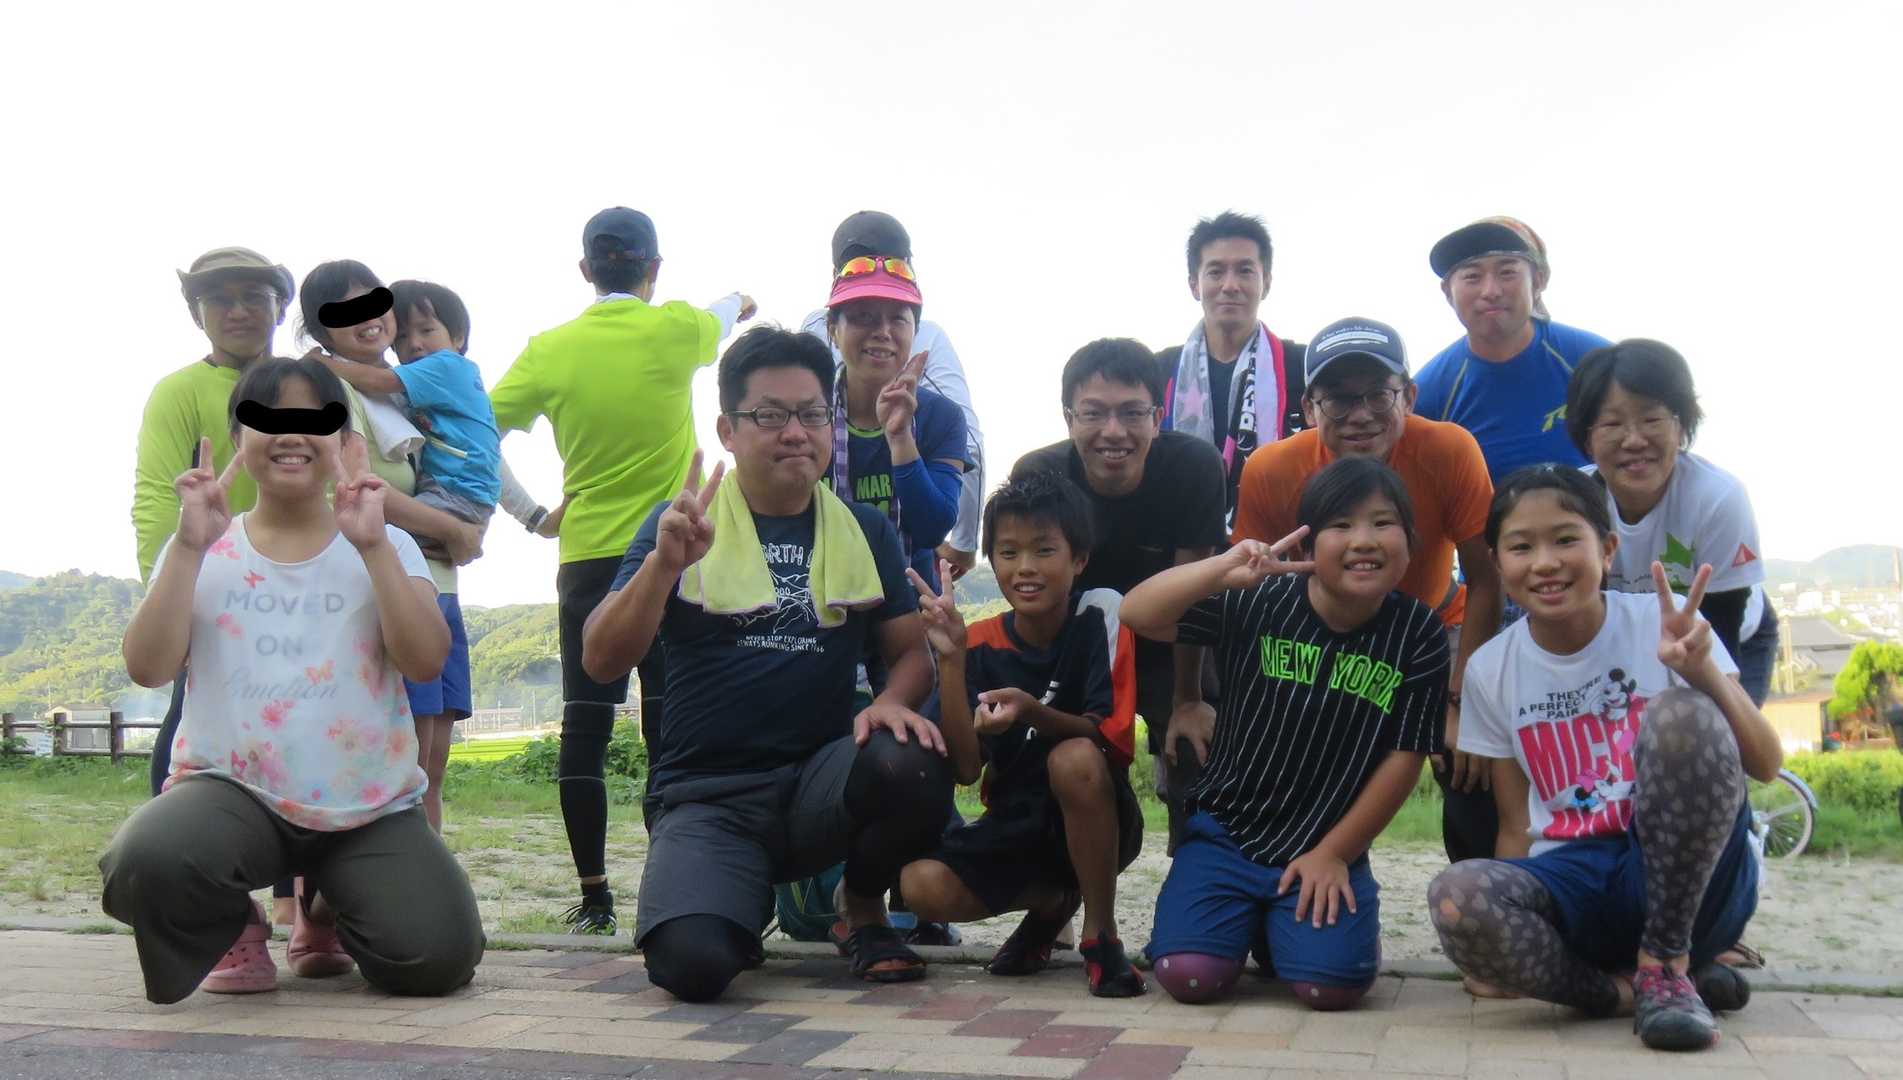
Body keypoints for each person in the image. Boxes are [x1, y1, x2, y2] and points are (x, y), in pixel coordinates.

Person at [578, 327, 953, 1001]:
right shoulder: (679, 524)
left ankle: (861, 905)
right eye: (770, 415)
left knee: (909, 755)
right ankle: (732, 901)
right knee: (693, 966)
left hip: (820, 787)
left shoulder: (865, 529)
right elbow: (601, 659)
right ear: (728, 429)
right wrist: (663, 567)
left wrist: (889, 702)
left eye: (811, 414)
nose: (795, 433)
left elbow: (909, 656)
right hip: (708, 794)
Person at [101, 356, 485, 1005]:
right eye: (268, 419)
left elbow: (424, 661)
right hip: (230, 792)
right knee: (144, 862)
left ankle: (327, 906)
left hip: (367, 806)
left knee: (435, 957)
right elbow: (149, 666)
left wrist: (373, 547)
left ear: (344, 441)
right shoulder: (201, 545)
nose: (291, 434)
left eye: (315, 419)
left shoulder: (387, 543)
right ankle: (235, 921)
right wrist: (188, 548)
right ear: (238, 437)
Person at [1429, 466, 1781, 1052]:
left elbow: (1765, 764)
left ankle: (1665, 963)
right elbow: (1516, 825)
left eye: (1566, 539)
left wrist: (1703, 675)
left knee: (1682, 716)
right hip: (1580, 885)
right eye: (1522, 546)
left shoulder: (1663, 623)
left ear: (1608, 548)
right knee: (1456, 895)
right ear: (1496, 562)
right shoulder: (1491, 668)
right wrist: (1493, 936)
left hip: (1688, 881)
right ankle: (1627, 991)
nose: (1545, 563)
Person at [489, 207, 754, 934]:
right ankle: (670, 884)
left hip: (586, 558)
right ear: (654, 268)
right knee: (671, 729)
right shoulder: (677, 329)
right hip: (672, 553)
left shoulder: (549, 351)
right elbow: (727, 308)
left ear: (585, 270)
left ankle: (595, 897)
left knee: (585, 727)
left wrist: (531, 514)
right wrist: (740, 301)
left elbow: (475, 433)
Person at [1123, 458, 1448, 1010]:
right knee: (1190, 977)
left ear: (1410, 541)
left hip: (1323, 841)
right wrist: (1221, 569)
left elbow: (1405, 756)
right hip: (1228, 834)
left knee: (1331, 987)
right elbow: (1137, 612)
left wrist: (1336, 853)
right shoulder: (1258, 600)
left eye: (1383, 523)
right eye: (1341, 525)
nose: (1363, 540)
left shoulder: (1419, 634)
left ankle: (1280, 926)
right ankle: (1245, 921)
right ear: (1308, 544)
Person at [1231, 318, 1502, 868]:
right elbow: (1248, 591)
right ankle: (1262, 872)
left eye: (1379, 394)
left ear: (1409, 397)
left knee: (1473, 756)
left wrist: (1460, 696)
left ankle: (1488, 894)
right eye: (1338, 399)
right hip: (1321, 634)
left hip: (1434, 625)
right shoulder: (1272, 469)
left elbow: (1487, 577)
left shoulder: (1449, 450)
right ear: (1309, 409)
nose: (1360, 415)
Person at [897, 472, 1147, 997]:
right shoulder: (979, 641)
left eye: (1044, 550)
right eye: (1008, 553)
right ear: (992, 560)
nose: (1025, 567)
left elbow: (1108, 738)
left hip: (1098, 813)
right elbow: (967, 768)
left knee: (1072, 757)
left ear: (1079, 559)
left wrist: (1034, 714)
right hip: (1014, 822)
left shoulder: (1100, 611)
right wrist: (952, 663)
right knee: (919, 885)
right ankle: (1052, 903)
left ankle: (1101, 935)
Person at [133, 246, 302, 990]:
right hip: (212, 591)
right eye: (220, 298)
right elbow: (153, 495)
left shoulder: (308, 386)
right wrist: (170, 589)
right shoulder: (178, 391)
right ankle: (225, 913)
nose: (238, 310)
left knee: (309, 734)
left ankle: (308, 904)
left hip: (300, 593)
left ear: (280, 307)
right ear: (196, 311)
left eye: (255, 296)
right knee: (188, 739)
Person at [298, 263, 486, 851]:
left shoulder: (406, 390)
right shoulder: (338, 391)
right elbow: (354, 492)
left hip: (436, 587)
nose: (366, 319)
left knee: (430, 767)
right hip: (383, 593)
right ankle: (349, 891)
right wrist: (455, 531)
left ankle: (425, 884)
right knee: (395, 766)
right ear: (320, 331)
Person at [1011, 339, 1226, 848]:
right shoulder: (1038, 476)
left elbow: (1194, 591)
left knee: (1200, 744)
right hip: (1078, 645)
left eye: (1132, 413)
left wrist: (1188, 699)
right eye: (1094, 414)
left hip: (1172, 640)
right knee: (1046, 760)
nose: (1114, 432)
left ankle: (1199, 872)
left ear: (1157, 417)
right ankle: (1071, 879)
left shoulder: (1194, 467)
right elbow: (1034, 587)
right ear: (1069, 419)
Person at [1566, 340, 1780, 706]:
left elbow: (1721, 627)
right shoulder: (1573, 503)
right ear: (1587, 439)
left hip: (1724, 633)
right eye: (1612, 424)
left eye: (1651, 420)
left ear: (1681, 427)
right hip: (1631, 642)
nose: (1634, 440)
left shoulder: (1717, 498)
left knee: (1713, 730)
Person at [802, 211, 987, 581]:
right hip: (813, 598)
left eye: (898, 318)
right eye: (863, 316)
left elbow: (931, 527)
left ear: (915, 329)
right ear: (832, 329)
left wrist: (901, 439)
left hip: (909, 601)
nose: (882, 332)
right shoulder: (805, 415)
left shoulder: (939, 417)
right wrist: (966, 543)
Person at [1415, 218, 1613, 484]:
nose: (1491, 291)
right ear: (1447, 293)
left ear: (1538, 281)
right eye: (1472, 277)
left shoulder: (1593, 361)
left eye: (1507, 272)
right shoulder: (1428, 394)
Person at [1158, 211, 1308, 527]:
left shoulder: (1302, 367)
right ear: (1194, 285)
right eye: (1215, 272)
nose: (1230, 285)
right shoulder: (1158, 372)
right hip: (1180, 541)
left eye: (1245, 271)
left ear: (1266, 283)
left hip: (1279, 537)